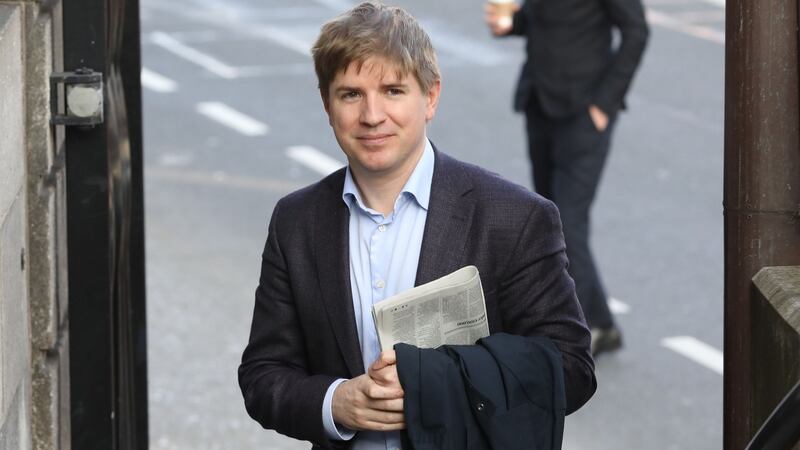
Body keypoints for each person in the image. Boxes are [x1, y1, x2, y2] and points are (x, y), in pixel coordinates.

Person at [239, 2, 596, 449]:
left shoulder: (513, 218)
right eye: (351, 94)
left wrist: (438, 387)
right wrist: (336, 403)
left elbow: (571, 370)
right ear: (327, 104)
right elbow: (262, 374)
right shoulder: (296, 221)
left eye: (392, 90)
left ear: (430, 97)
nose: (372, 115)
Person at [485, 0, 649, 356]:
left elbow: (637, 31)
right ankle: (601, 322)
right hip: (540, 104)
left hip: (584, 114)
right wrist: (511, 23)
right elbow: (544, 18)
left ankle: (585, 328)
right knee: (550, 220)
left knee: (568, 224)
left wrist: (604, 105)